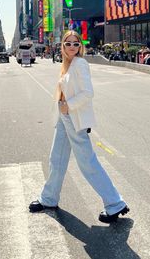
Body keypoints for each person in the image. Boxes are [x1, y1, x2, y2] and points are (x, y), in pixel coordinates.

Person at [29, 31, 129, 223]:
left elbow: (88, 93)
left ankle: (115, 203)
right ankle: (49, 198)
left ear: (80, 46)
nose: (72, 47)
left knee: (87, 163)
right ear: (63, 46)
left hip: (72, 117)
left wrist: (69, 105)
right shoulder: (67, 65)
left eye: (76, 43)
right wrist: (62, 108)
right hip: (64, 116)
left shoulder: (80, 64)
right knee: (56, 159)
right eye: (68, 43)